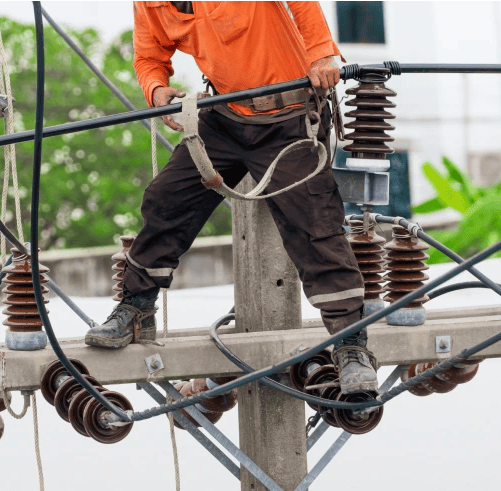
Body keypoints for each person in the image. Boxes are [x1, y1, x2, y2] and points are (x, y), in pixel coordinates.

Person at [85, 1, 377, 395]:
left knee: (314, 226)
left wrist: (322, 50)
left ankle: (351, 343)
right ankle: (137, 308)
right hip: (224, 117)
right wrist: (156, 91)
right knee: (166, 200)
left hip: (290, 117)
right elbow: (149, 55)